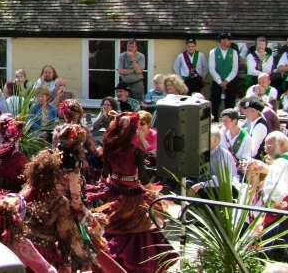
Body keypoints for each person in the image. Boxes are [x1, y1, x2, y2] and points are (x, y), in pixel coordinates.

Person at [94, 113, 177, 272]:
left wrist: (100, 187)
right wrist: (153, 194)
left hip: (114, 192)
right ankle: (134, 261)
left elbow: (105, 173)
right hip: (132, 194)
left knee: (116, 225)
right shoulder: (135, 151)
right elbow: (144, 177)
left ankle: (113, 258)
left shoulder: (111, 147)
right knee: (138, 226)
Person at [21, 149, 94, 272]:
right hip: (43, 257)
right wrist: (67, 262)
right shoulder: (59, 202)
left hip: (22, 250)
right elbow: (66, 235)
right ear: (55, 175)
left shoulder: (24, 192)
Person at [190, 130, 238, 196]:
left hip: (228, 188)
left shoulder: (222, 155)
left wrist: (200, 185)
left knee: (201, 192)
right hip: (214, 180)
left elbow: (221, 181)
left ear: (215, 141)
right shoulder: (210, 152)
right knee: (189, 182)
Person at [209, 32, 240, 120]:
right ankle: (214, 122)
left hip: (230, 82)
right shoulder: (213, 52)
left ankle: (229, 122)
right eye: (228, 39)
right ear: (222, 40)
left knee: (230, 105)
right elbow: (212, 69)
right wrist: (219, 81)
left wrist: (227, 80)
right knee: (214, 104)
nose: (230, 41)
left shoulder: (233, 52)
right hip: (217, 82)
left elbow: (235, 69)